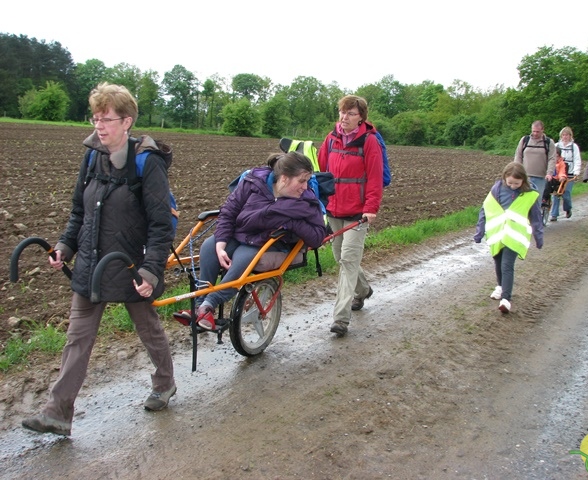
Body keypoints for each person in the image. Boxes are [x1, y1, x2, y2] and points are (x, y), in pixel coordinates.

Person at [21, 83, 177, 436]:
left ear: (127, 121)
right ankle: (57, 413)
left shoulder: (146, 164)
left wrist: (151, 269)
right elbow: (80, 210)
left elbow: (159, 224)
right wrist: (65, 246)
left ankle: (165, 383)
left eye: (106, 119)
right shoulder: (92, 156)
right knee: (77, 338)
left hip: (129, 265)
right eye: (95, 118)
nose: (99, 126)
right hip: (92, 266)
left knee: (148, 328)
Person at [194, 151, 327, 330]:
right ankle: (199, 305)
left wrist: (291, 222)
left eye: (307, 181)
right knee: (209, 246)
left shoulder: (306, 201)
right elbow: (229, 211)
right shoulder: (253, 182)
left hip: (266, 242)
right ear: (285, 178)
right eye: (301, 181)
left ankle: (209, 304)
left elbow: (318, 236)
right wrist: (221, 244)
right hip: (240, 233)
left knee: (244, 260)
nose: (305, 186)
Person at [318, 95, 383, 336]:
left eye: (351, 113)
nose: (345, 117)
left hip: (358, 213)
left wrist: (371, 207)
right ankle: (363, 290)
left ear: (361, 118)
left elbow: (375, 177)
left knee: (347, 262)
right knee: (340, 257)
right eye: (342, 112)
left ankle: (340, 319)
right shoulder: (331, 139)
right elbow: (321, 174)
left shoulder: (369, 141)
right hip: (334, 210)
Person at [474, 162, 544, 314]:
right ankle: (500, 286)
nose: (513, 186)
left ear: (523, 181)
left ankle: (506, 299)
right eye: (510, 183)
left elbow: (536, 218)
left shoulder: (530, 194)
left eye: (517, 184)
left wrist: (539, 237)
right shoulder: (496, 190)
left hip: (514, 236)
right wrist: (479, 232)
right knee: (498, 261)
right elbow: (485, 210)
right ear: (504, 178)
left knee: (507, 264)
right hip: (497, 233)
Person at [514, 120, 556, 197]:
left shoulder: (548, 142)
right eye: (533, 131)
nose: (535, 134)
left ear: (542, 130)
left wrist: (549, 173)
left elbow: (552, 159)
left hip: (540, 177)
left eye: (538, 132)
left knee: (536, 201)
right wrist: (517, 170)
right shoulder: (524, 140)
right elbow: (518, 156)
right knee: (523, 199)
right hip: (525, 177)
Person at [550, 126, 581, 221]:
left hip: (569, 173)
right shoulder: (556, 146)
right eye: (563, 135)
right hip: (557, 172)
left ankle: (568, 208)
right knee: (556, 193)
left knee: (566, 193)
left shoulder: (573, 147)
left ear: (570, 136)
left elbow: (577, 159)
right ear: (561, 136)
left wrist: (576, 172)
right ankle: (554, 214)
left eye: (567, 135)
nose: (565, 137)